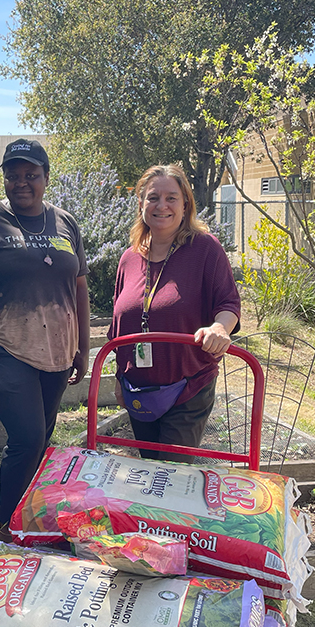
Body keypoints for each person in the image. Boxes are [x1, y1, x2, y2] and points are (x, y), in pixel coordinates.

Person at [0, 138, 90, 538]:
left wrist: (83, 347)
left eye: (31, 175)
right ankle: (7, 528)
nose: (21, 182)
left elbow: (79, 286)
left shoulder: (65, 222)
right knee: (27, 439)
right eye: (13, 176)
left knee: (42, 440)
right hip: (4, 346)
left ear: (46, 177)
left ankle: (34, 518)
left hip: (57, 351)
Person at [110, 163, 240, 462]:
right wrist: (119, 377)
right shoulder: (129, 258)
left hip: (187, 386)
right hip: (138, 388)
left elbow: (228, 304)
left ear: (185, 205)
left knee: (170, 474)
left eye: (171, 197)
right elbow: (118, 327)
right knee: (150, 469)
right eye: (153, 197)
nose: (162, 205)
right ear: (141, 203)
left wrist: (220, 328)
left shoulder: (205, 249)